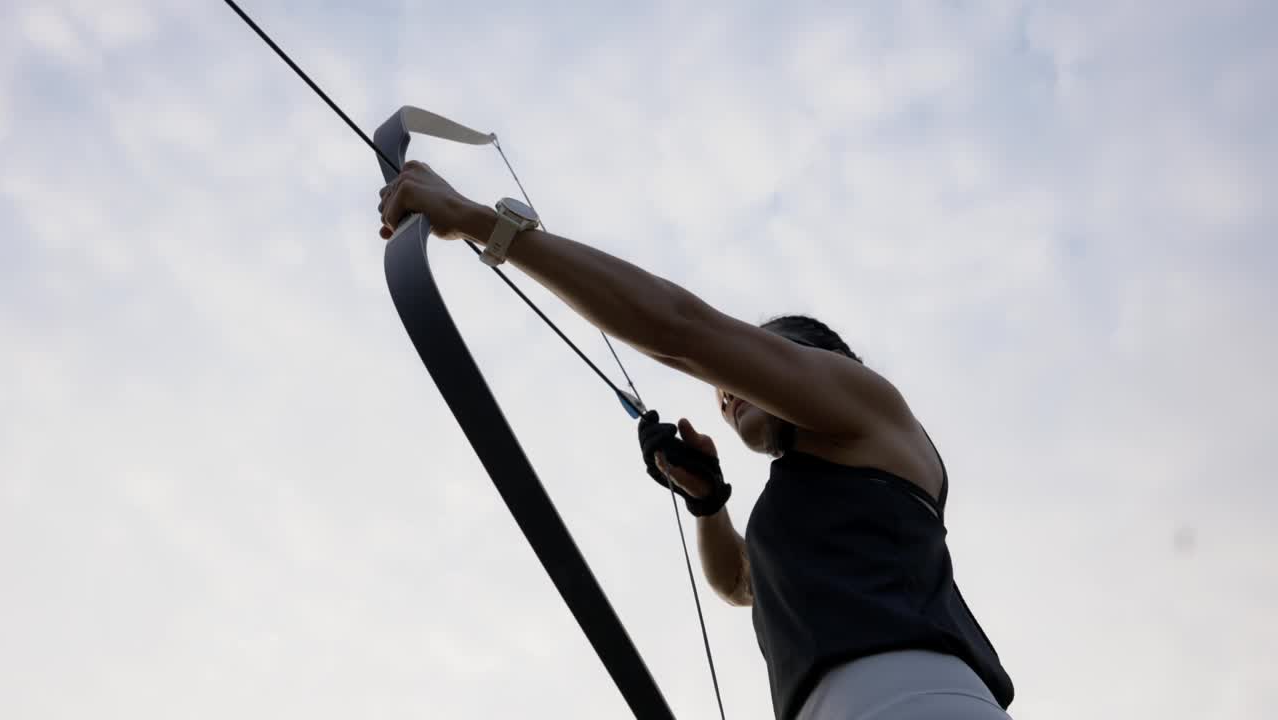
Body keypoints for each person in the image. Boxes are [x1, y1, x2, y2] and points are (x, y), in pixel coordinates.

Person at [378, 161, 1015, 720]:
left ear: (815, 359)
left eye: (746, 366)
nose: (724, 388)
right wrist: (710, 504)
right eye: (720, 387)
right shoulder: (810, 501)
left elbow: (683, 330)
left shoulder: (869, 407)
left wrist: (473, 219)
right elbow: (740, 582)